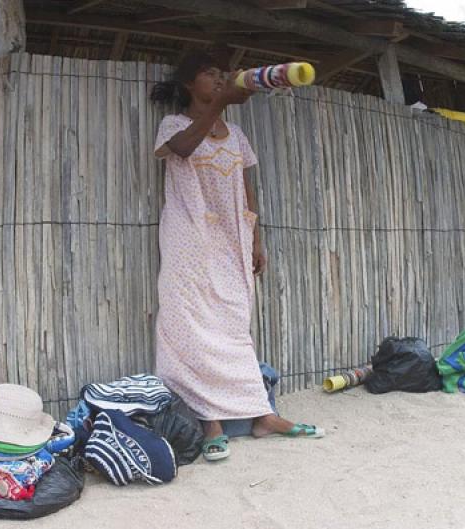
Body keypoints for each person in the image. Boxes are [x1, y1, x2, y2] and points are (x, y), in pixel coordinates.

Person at [150, 52, 324, 462]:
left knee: (232, 324)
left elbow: (247, 191)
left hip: (232, 240)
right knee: (190, 325)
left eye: (222, 76)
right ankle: (210, 421)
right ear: (191, 84)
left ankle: (264, 415)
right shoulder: (175, 125)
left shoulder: (237, 135)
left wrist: (255, 240)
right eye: (210, 74)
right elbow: (185, 149)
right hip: (188, 238)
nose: (218, 79)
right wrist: (219, 104)